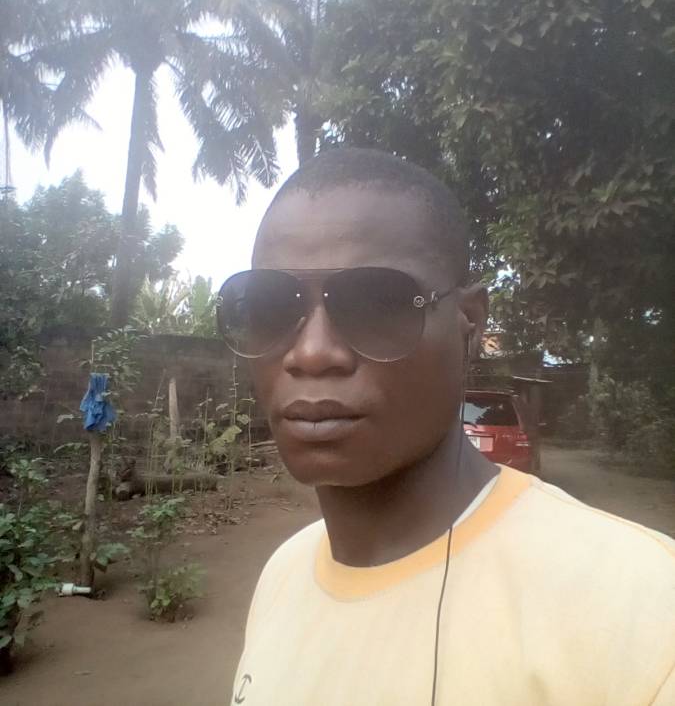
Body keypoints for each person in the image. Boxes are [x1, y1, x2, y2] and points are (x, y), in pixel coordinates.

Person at [220, 148, 675, 706]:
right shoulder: (283, 576)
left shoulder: (640, 615)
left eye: (376, 304)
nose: (311, 353)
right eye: (268, 308)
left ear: (471, 321)